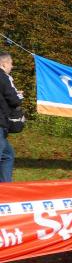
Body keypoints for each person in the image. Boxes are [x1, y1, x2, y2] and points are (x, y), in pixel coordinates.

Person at [0, 52, 22, 183]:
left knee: (7, 155)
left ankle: (5, 188)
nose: (12, 66)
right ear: (4, 64)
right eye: (11, 63)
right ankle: (6, 190)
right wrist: (18, 96)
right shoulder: (3, 77)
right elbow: (14, 100)